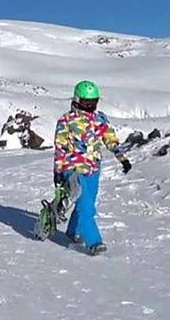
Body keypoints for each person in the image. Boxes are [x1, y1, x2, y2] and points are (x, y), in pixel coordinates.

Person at [46, 80, 130, 255]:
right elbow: (60, 147)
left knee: (87, 201)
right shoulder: (66, 120)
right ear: (77, 100)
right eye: (86, 102)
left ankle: (73, 231)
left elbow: (110, 140)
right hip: (72, 168)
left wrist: (122, 159)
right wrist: (58, 171)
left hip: (93, 169)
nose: (90, 106)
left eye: (93, 102)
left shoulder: (100, 119)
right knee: (86, 206)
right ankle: (94, 242)